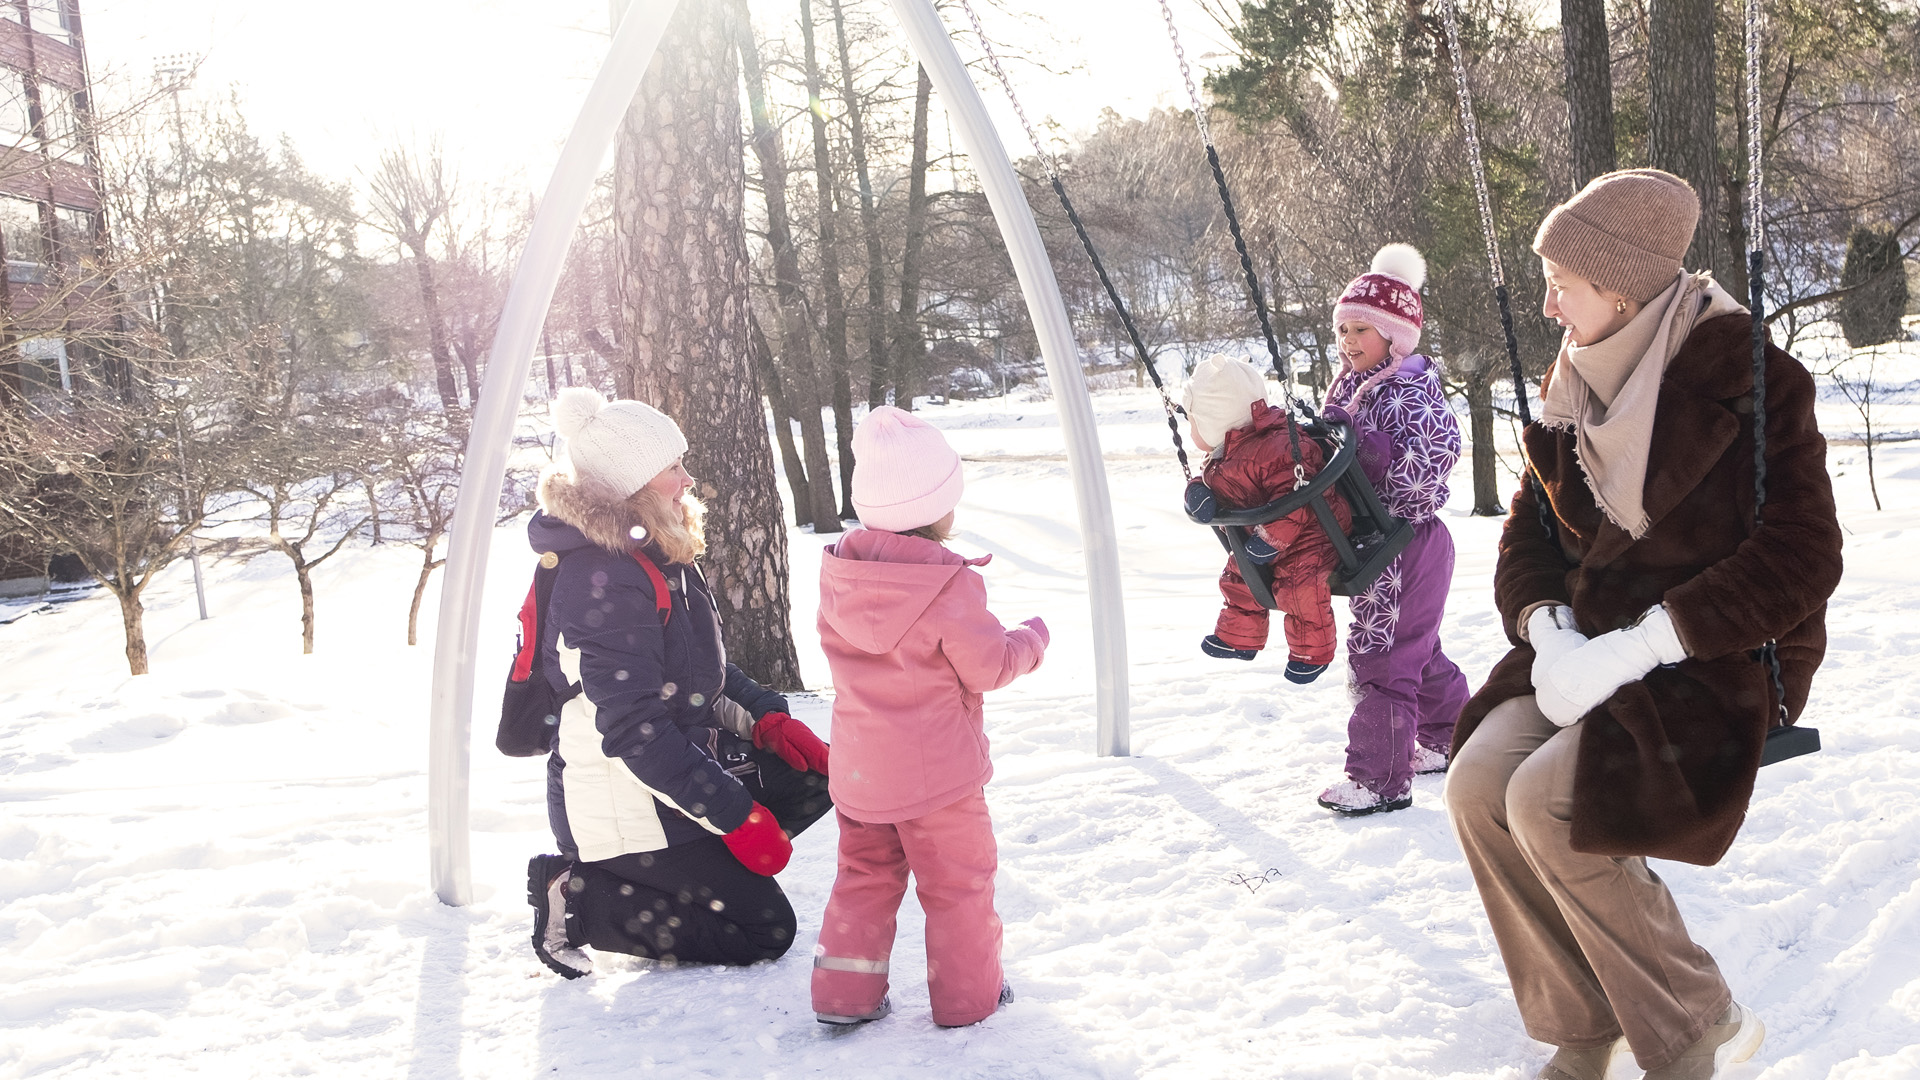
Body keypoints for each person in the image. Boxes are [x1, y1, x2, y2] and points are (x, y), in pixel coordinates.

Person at [1445, 169, 1843, 1078]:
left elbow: (1805, 553)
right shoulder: (1571, 388)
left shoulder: (1752, 382)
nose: (1548, 305)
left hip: (1712, 657)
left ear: (1622, 291)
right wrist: (1548, 629)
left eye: (1564, 285)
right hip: (1585, 647)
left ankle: (1697, 1025)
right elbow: (1527, 536)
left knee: (1549, 804)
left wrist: (1645, 644)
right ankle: (1587, 1027)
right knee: (1476, 786)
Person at [523, 388, 833, 978]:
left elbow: (699, 676)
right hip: (624, 802)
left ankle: (705, 862)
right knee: (765, 930)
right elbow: (634, 730)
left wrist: (769, 719)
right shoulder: (604, 579)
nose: (688, 479)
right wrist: (736, 816)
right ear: (634, 484)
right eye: (673, 468)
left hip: (673, 773)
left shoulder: (653, 552)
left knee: (816, 777)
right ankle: (578, 894)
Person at [809, 406, 1048, 1028]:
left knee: (863, 878)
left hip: (861, 771)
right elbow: (989, 666)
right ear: (934, 506)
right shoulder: (946, 586)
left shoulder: (840, 574)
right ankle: (968, 1000)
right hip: (938, 778)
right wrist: (1031, 638)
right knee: (959, 887)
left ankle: (844, 995)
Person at [1315, 242, 1470, 815]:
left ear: (1396, 337)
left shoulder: (1409, 391)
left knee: (1382, 653)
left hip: (1409, 540)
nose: (1348, 340)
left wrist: (1374, 457)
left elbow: (1434, 457)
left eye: (1361, 329)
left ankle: (1381, 778)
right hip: (1378, 542)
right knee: (1415, 650)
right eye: (1343, 329)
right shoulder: (1351, 386)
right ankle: (1455, 736)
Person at [1182, 353, 1352, 684]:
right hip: (1266, 536)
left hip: (1316, 532)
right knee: (1238, 575)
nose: (1191, 432)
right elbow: (1216, 482)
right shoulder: (1226, 452)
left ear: (1216, 419)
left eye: (1193, 422)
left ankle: (1311, 652)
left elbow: (1293, 500)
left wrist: (1271, 540)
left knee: (1299, 586)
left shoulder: (1276, 446)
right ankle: (1239, 639)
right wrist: (1197, 492)